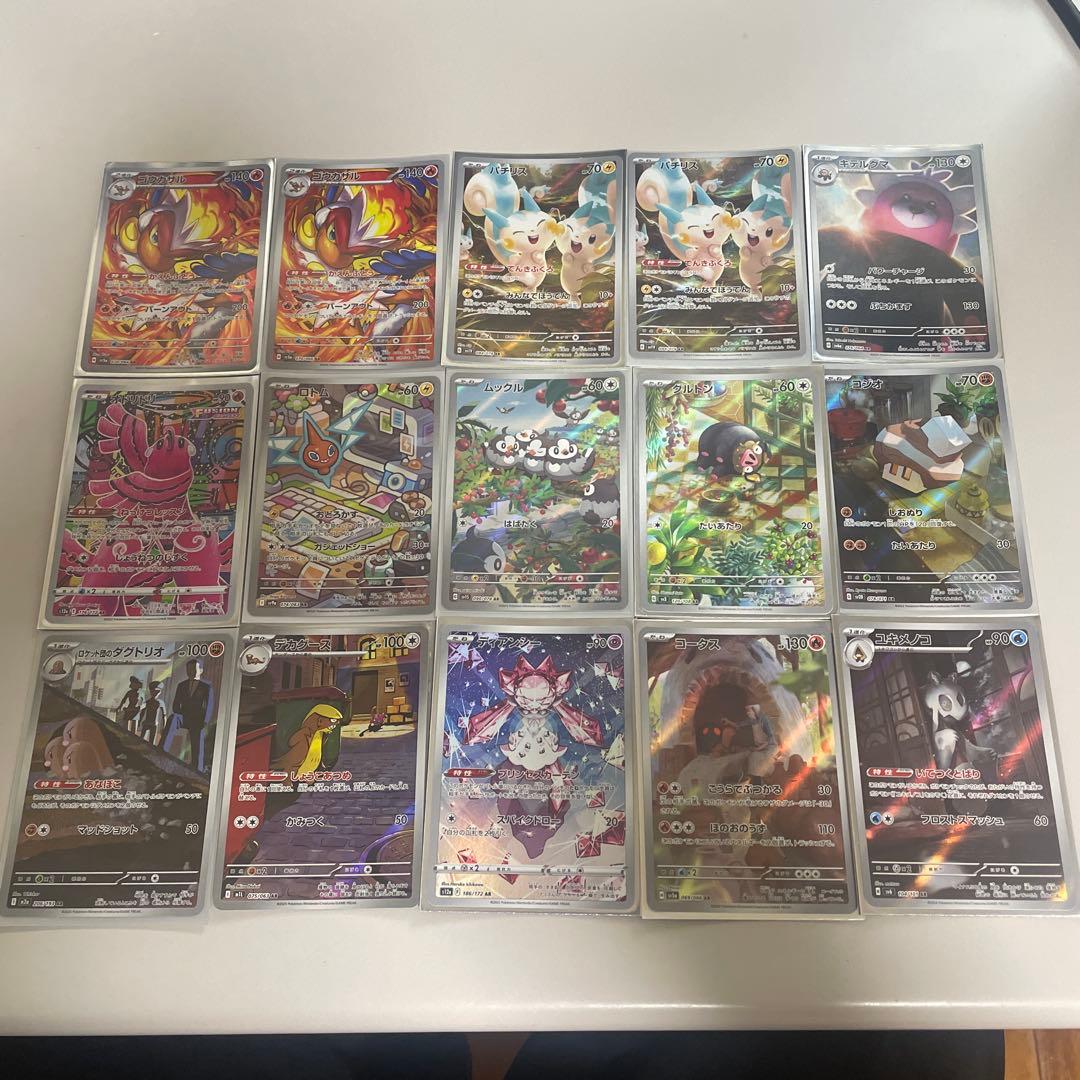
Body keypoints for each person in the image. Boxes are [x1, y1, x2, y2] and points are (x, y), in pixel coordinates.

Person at [171, 660, 213, 771]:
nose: (190, 672)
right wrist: (179, 714)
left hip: (197, 720)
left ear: (201, 670)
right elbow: (176, 703)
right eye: (188, 669)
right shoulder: (181, 685)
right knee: (173, 718)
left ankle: (197, 768)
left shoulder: (206, 686)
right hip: (183, 717)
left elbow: (209, 705)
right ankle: (162, 749)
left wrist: (205, 721)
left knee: (197, 742)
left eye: (193, 669)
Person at [137, 681, 168, 747]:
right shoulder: (148, 702)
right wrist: (139, 722)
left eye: (156, 691)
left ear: (159, 692)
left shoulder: (160, 703)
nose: (154, 693)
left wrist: (164, 727)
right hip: (147, 723)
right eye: (152, 691)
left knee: (151, 743)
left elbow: (164, 715)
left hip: (154, 724)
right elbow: (142, 712)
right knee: (141, 741)